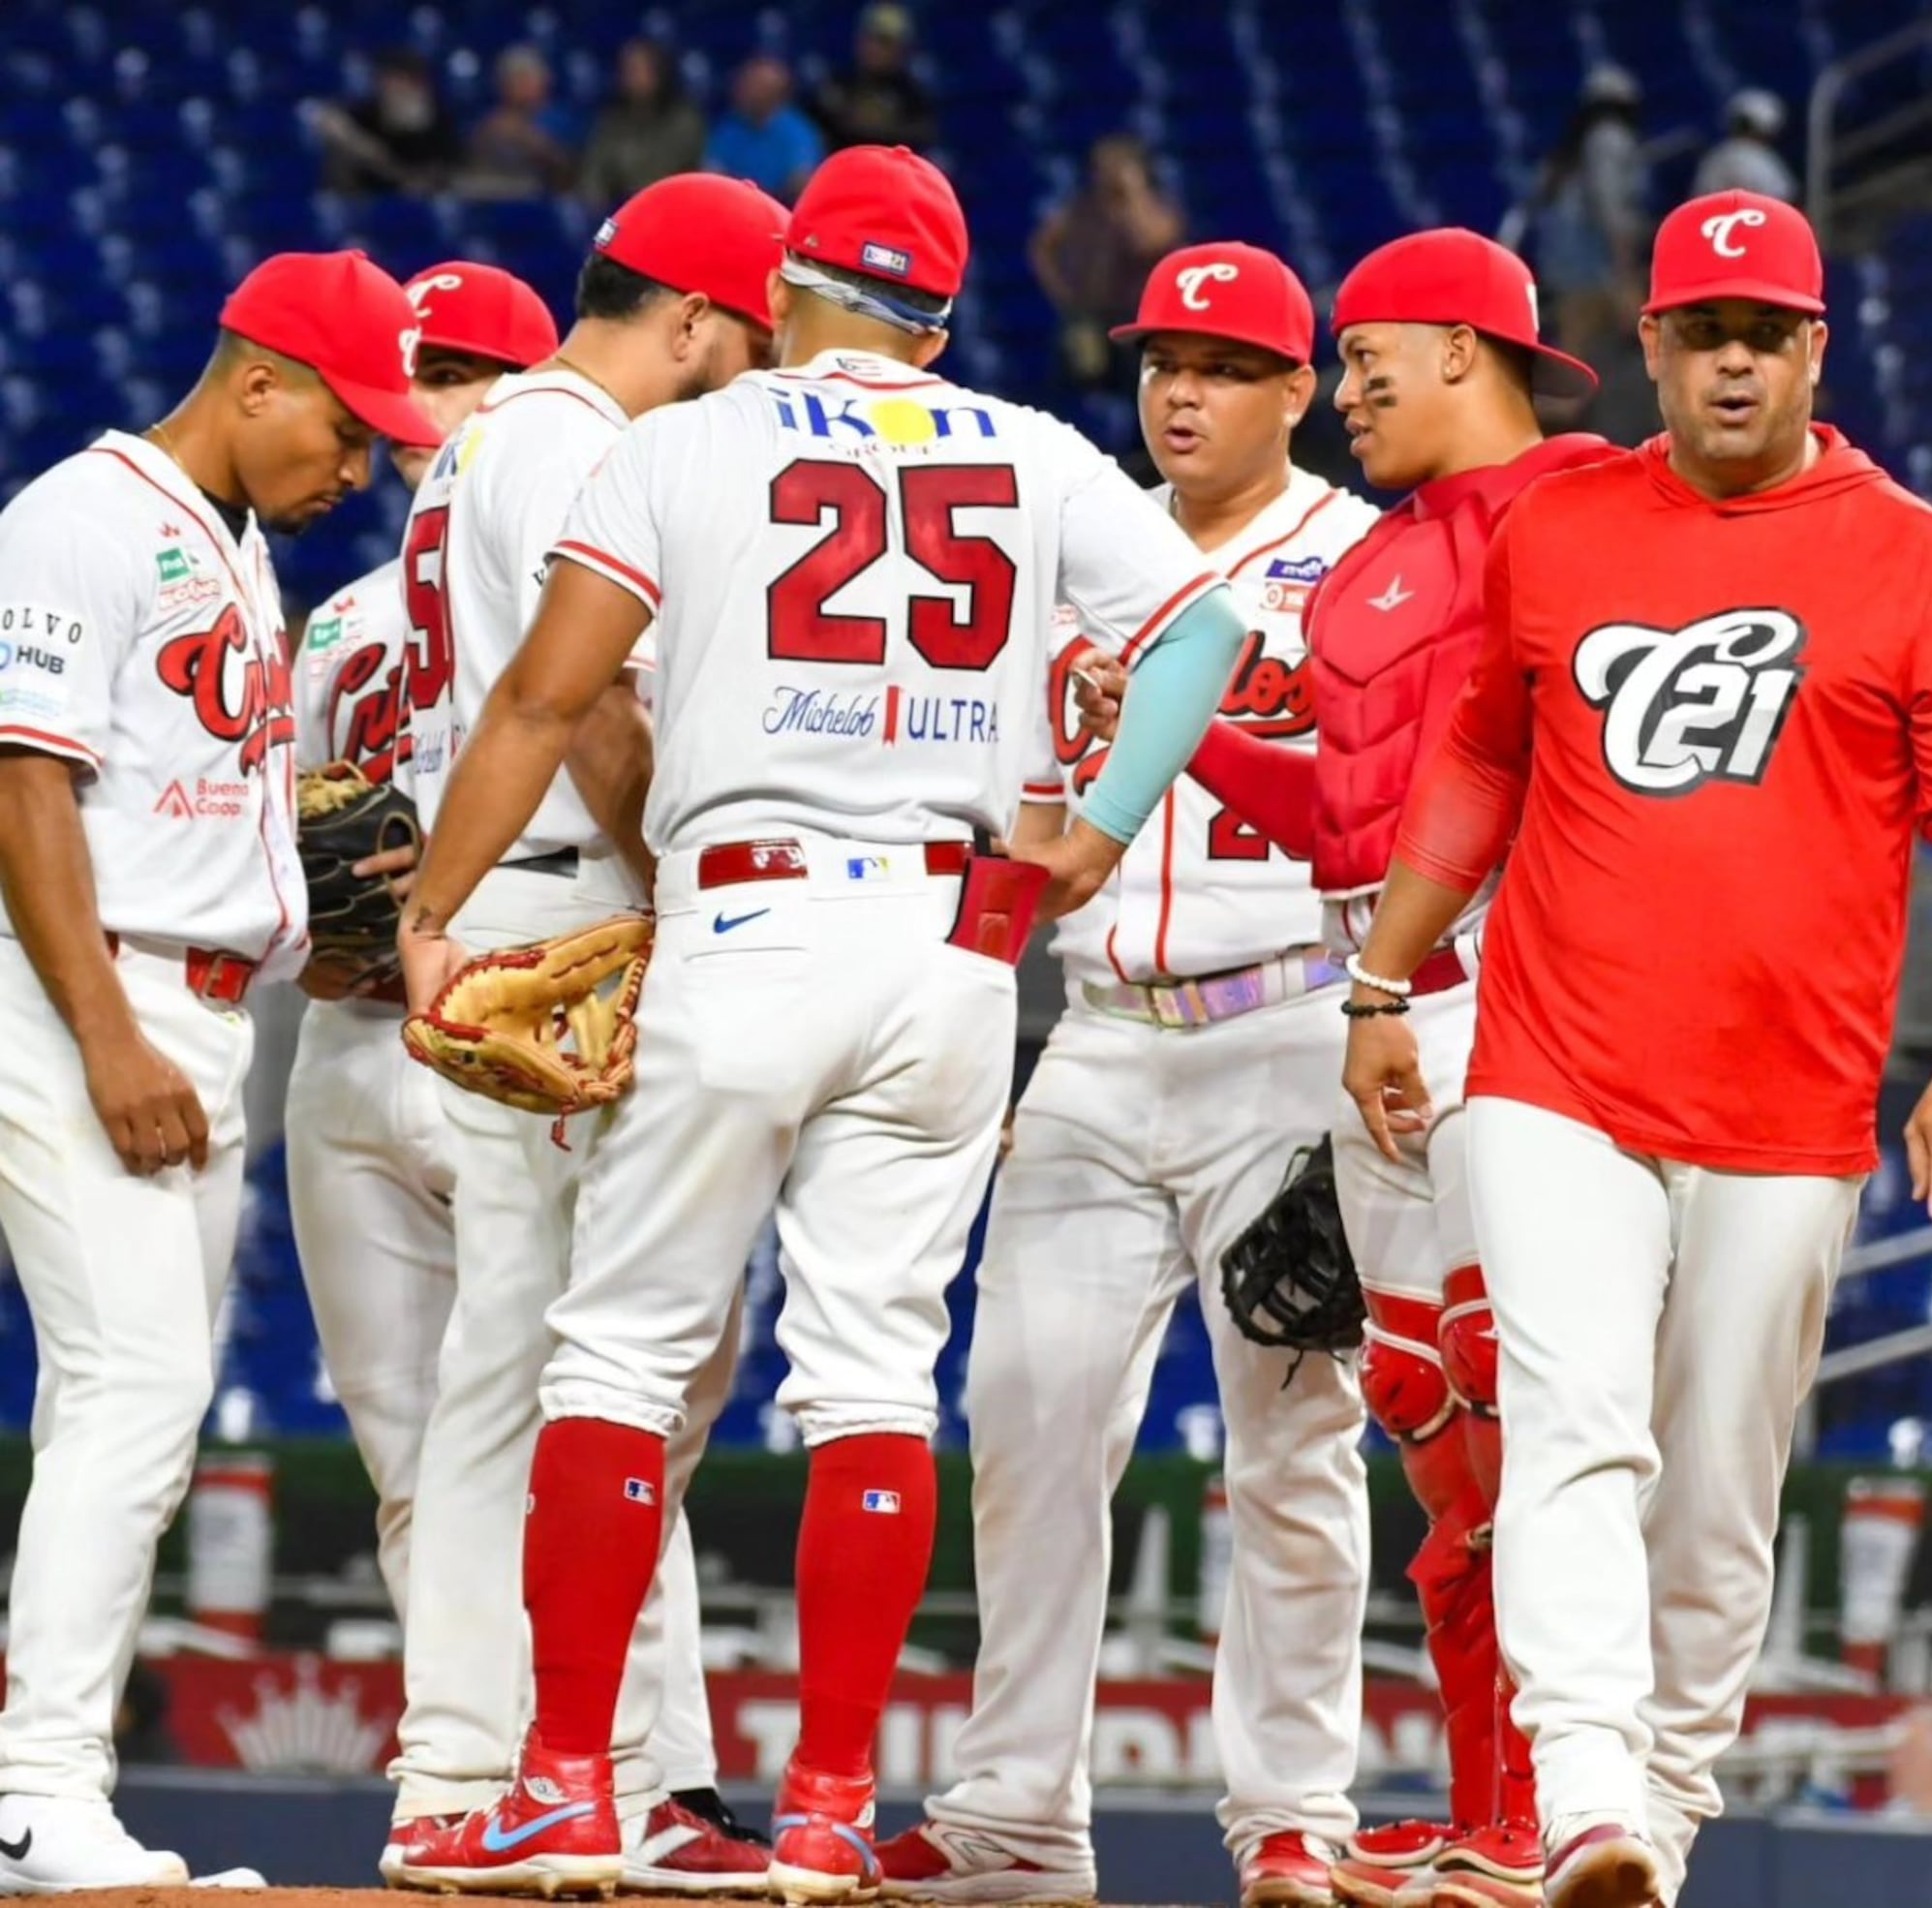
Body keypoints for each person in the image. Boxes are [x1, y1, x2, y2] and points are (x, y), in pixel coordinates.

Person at [388, 141, 1254, 1900]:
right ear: (934, 320)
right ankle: (835, 1805)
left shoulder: (685, 442)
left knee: (619, 1355)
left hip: (750, 920)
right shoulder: (1033, 447)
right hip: (947, 950)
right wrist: (1086, 841)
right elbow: (1206, 635)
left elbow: (550, 695)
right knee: (870, 1377)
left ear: (788, 287)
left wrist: (430, 909)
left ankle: (563, 1780)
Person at [1339, 190, 1932, 1908]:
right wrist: (1381, 982)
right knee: (1573, 1424)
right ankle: (1584, 1796)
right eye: (1700, 331)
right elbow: (1481, 764)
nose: (1731, 360)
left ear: (1814, 349)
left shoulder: (1922, 559)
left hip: (1788, 1105)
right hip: (1555, 1067)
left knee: (1719, 1480)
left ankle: (1660, 1812)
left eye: (1764, 334)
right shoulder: (1563, 528)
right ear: (1647, 345)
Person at [882, 242, 1381, 1908]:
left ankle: (1295, 1813)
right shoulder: (1070, 544)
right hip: (1096, 1033)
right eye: (1163, 357)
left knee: (1293, 1450)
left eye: (1226, 364)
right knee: (1021, 1414)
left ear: (1298, 391)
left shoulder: (1363, 560)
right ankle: (1017, 1811)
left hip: (1290, 1024)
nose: (1181, 388)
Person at [1121, 227, 1610, 1908]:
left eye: (1363, 361)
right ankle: (1489, 1815)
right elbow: (1345, 819)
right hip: (1380, 1002)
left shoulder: (1594, 511)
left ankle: (1572, 1802)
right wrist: (1178, 734)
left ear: (1462, 349)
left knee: (1525, 1416)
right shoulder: (1379, 562)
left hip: (1520, 1009)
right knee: (1424, 1417)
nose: (1345, 393)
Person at [384, 174, 790, 1896]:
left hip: (532, 896)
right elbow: (595, 703)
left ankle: (627, 1772)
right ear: (692, 319)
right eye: (747, 338)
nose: (752, 371)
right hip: (566, 903)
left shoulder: (493, 439)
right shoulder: (565, 445)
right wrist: (675, 896)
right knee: (536, 1363)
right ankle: (465, 1765)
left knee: (622, 1369)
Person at [0, 248, 425, 1892]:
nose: (358, 462)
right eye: (343, 425)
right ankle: (35, 1791)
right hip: (77, 997)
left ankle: (54, 1787)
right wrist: (107, 1030)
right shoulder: (81, 520)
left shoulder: (235, 547)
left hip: (196, 999)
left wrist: (287, 939)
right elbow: (25, 786)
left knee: (142, 1414)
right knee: (137, 1388)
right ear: (255, 382)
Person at [285, 261, 560, 1623]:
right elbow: (302, 860)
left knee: (576, 1427)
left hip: (515, 1017)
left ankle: (644, 1770)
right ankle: (458, 1757)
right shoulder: (339, 624)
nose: (422, 410)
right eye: (415, 377)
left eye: (456, 376)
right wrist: (315, 909)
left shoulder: (583, 594)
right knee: (405, 1453)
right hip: (350, 1039)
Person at [1030, 136, 1186, 391]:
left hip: (1137, 320)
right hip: (1090, 315)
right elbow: (1043, 244)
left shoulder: (1155, 208)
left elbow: (1151, 242)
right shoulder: (1084, 207)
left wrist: (1134, 191)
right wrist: (1062, 292)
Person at [1513, 66, 1649, 310]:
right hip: (1593, 257)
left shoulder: (1569, 150)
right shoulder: (1609, 138)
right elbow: (1608, 198)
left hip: (1565, 258)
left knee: (1577, 333)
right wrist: (1622, 252)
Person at [577, 40, 709, 212]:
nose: (628, 78)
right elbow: (593, 176)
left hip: (673, 208)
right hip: (622, 212)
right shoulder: (612, 122)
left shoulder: (684, 122)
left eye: (635, 70)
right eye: (625, 71)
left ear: (659, 73)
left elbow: (695, 174)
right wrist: (595, 203)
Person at [312, 48, 464, 197]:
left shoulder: (439, 119)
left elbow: (435, 176)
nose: (394, 88)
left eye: (406, 82)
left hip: (421, 202)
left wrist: (417, 131)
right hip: (366, 198)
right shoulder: (364, 113)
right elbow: (332, 122)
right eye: (389, 80)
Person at [814, 3, 938, 152]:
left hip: (891, 171)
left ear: (902, 48)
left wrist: (885, 127)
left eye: (884, 42)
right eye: (869, 38)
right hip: (841, 166)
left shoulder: (913, 94)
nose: (874, 48)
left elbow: (923, 137)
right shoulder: (838, 83)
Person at [460, 46, 576, 200]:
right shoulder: (492, 119)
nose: (522, 86)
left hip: (541, 192)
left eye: (527, 78)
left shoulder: (560, 118)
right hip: (495, 188)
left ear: (544, 81)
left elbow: (570, 170)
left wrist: (531, 141)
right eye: (515, 79)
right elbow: (470, 157)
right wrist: (488, 134)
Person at [706, 54, 824, 203]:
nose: (744, 91)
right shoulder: (730, 127)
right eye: (744, 84)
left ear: (775, 93)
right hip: (736, 206)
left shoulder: (798, 132)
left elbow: (801, 184)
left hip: (781, 211)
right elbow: (712, 175)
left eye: (755, 86)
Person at [1693, 91, 1797, 203]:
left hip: (1714, 218)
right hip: (1758, 218)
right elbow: (1784, 199)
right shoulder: (1762, 159)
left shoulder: (1715, 157)